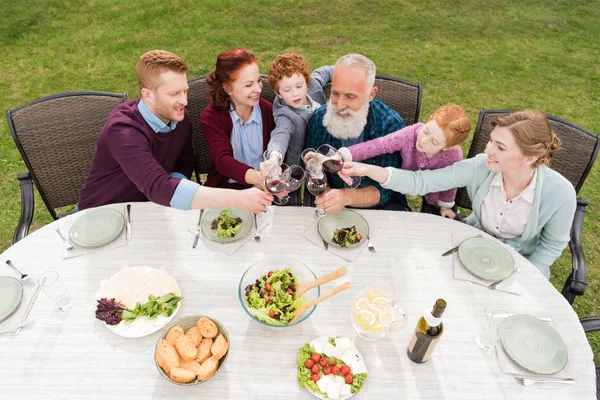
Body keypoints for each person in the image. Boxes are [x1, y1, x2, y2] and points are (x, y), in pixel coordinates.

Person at [342, 110, 575, 278]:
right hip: (470, 248)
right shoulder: (481, 166)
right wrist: (366, 169)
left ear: (529, 158)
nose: (487, 150)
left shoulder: (561, 193)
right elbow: (420, 182)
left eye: (500, 147)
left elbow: (551, 246)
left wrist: (524, 276)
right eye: (491, 141)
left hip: (521, 266)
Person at [78, 50, 272, 213]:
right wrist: (237, 199)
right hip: (100, 214)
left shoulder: (180, 118)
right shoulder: (123, 131)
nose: (185, 101)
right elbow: (158, 186)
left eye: (185, 91)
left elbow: (183, 164)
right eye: (174, 94)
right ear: (148, 95)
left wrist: (176, 195)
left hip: (149, 213)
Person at [305, 53, 409, 214]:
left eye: (350, 97)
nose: (339, 105)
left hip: (383, 208)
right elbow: (314, 170)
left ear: (371, 95)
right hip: (333, 208)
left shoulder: (390, 125)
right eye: (335, 93)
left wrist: (346, 197)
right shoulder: (319, 119)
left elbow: (386, 190)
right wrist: (327, 195)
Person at [337, 104, 471, 219]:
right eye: (426, 131)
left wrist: (445, 205)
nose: (424, 140)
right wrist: (345, 154)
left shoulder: (453, 155)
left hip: (435, 193)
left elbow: (450, 183)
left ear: (447, 147)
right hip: (403, 182)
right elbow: (379, 145)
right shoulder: (411, 134)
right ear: (429, 119)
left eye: (434, 142)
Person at [201, 48, 275, 190]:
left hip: (265, 191)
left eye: (258, 81)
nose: (258, 89)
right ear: (228, 88)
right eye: (248, 85)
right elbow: (223, 161)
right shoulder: (212, 117)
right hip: (225, 191)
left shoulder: (269, 112)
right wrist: (260, 179)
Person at [263, 53, 333, 167]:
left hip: (325, 150)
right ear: (278, 93)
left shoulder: (313, 84)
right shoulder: (285, 115)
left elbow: (325, 72)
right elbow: (280, 135)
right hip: (301, 165)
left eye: (299, 86)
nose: (295, 94)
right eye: (287, 90)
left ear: (307, 82)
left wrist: (347, 70)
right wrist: (274, 157)